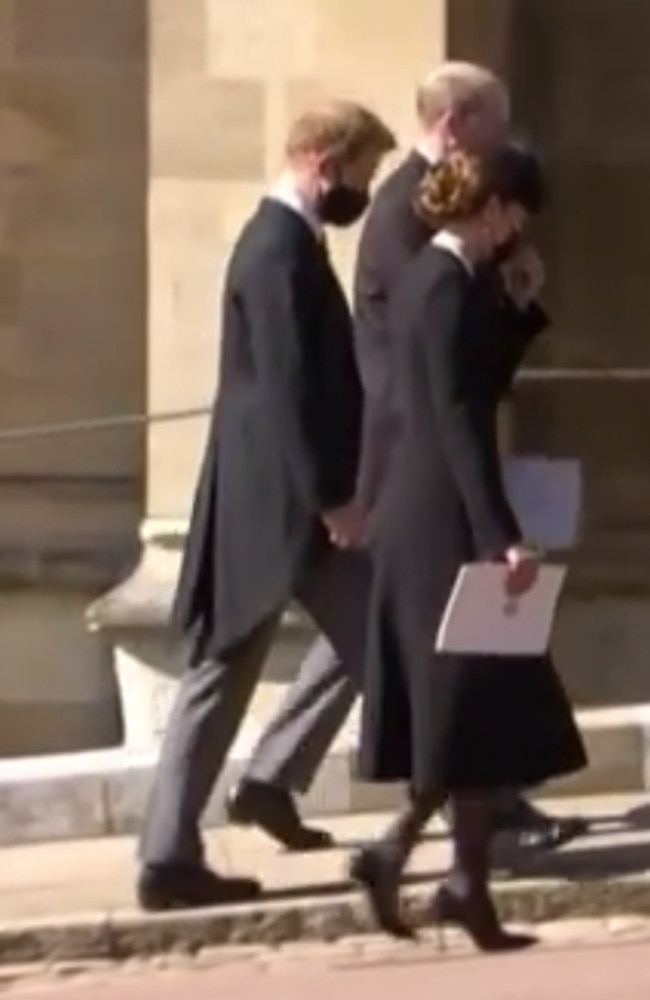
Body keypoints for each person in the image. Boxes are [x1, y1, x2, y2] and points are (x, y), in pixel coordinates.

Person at [227, 61, 585, 854]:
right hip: (409, 455)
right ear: (456, 124)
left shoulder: (446, 219)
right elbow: (428, 365)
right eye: (493, 128)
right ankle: (478, 810)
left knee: (384, 632)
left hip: (418, 452)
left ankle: (285, 778)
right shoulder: (407, 218)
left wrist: (517, 304)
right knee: (436, 641)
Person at [136, 99, 396, 911]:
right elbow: (286, 393)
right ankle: (167, 854)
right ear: (323, 161)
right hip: (281, 506)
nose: (362, 190)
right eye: (360, 173)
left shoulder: (286, 245)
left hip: (290, 504)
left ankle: (241, 803)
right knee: (226, 672)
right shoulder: (276, 251)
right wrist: (334, 498)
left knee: (384, 638)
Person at [352, 147, 587, 949]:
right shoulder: (445, 286)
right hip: (444, 515)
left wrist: (521, 309)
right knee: (468, 695)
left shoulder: (441, 280)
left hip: (430, 507)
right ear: (492, 209)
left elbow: (476, 383)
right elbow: (460, 421)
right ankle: (422, 865)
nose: (518, 232)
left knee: (479, 703)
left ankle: (456, 881)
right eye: (515, 216)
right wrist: (500, 537)